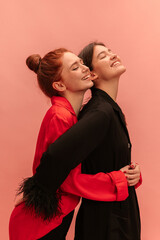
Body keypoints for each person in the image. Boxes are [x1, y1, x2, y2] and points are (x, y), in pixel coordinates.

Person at [9, 47, 132, 240]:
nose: (84, 68)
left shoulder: (73, 117)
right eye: (75, 67)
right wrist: (118, 180)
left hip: (52, 216)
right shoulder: (60, 116)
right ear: (59, 85)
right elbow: (67, 181)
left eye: (82, 63)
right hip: (38, 222)